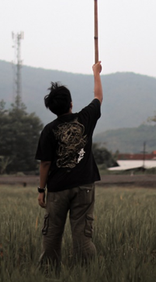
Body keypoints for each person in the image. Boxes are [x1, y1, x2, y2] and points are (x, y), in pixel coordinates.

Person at [35, 61, 103, 270]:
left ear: (52, 108)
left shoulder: (49, 130)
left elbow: (45, 163)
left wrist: (41, 189)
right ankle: (88, 272)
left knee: (52, 233)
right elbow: (98, 97)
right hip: (84, 186)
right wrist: (96, 73)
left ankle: (49, 271)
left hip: (57, 188)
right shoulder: (85, 118)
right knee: (83, 234)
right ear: (71, 103)